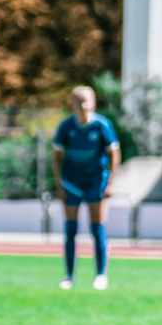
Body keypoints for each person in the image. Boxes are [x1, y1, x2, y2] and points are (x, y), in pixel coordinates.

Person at [51, 85, 121, 291]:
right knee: (70, 229)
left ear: (93, 103)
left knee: (97, 227)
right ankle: (69, 276)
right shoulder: (66, 127)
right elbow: (55, 155)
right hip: (72, 182)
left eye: (86, 100)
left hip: (95, 181)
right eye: (78, 101)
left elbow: (114, 153)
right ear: (71, 104)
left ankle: (100, 275)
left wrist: (110, 182)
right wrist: (59, 184)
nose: (83, 105)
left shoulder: (102, 125)